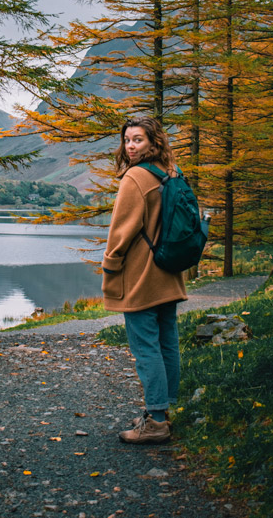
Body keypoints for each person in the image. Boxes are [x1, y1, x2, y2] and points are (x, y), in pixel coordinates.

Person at [101, 116, 187, 444]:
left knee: (146, 346)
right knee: (167, 342)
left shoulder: (135, 177)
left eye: (138, 139)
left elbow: (121, 232)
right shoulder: (171, 173)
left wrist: (110, 268)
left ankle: (156, 422)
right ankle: (164, 411)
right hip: (168, 271)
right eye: (127, 140)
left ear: (153, 142)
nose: (131, 146)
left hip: (140, 275)